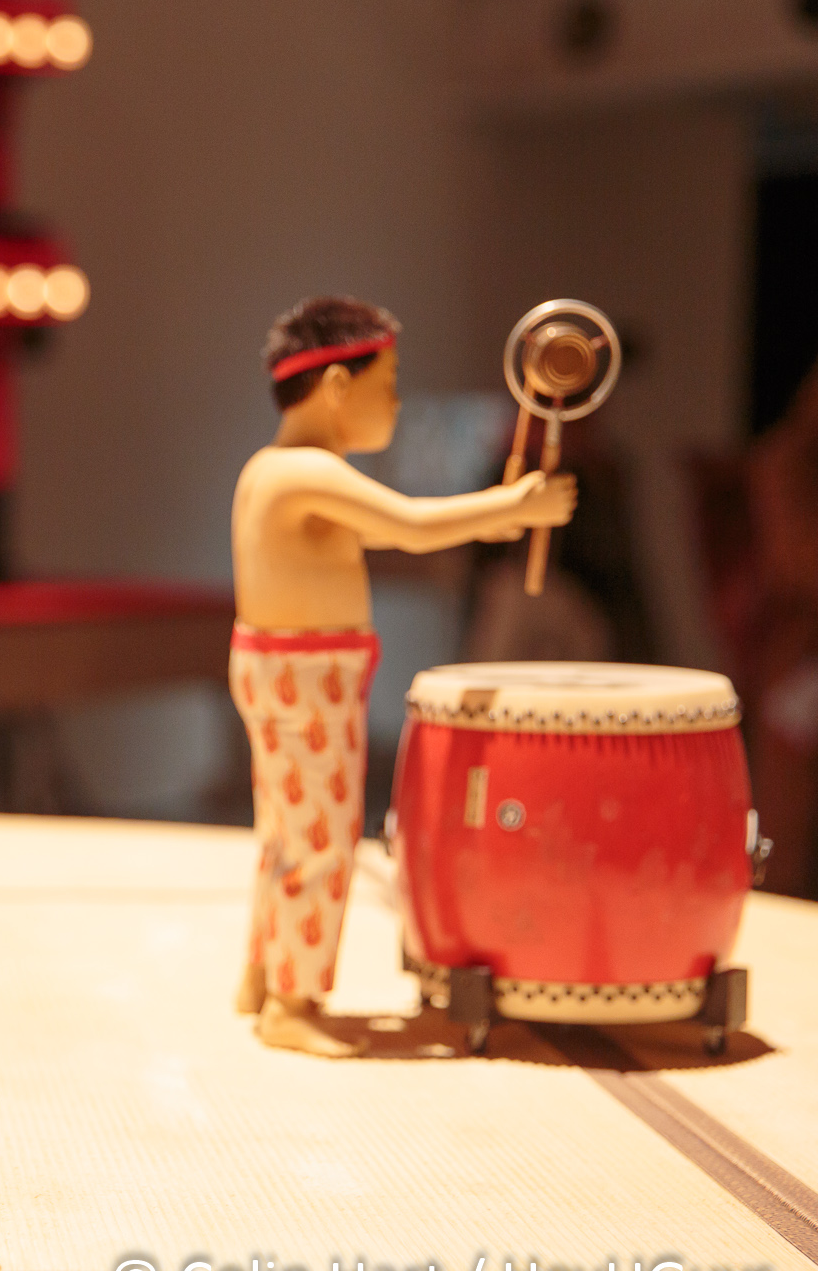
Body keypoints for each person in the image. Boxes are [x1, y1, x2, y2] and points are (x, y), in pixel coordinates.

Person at [230, 296, 576, 1056]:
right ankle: (291, 1000)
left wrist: (499, 514)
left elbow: (408, 527)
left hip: (292, 671)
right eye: (385, 386)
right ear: (336, 386)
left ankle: (264, 975)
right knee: (318, 840)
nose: (393, 402)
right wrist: (512, 505)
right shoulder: (303, 472)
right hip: (305, 679)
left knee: (286, 832)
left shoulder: (273, 470)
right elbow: (411, 525)